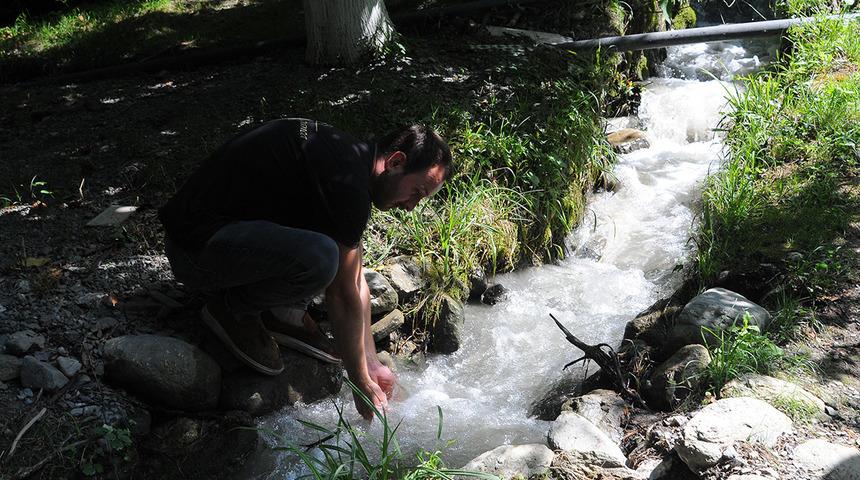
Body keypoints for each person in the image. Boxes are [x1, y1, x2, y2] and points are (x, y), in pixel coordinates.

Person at [158, 118, 452, 419]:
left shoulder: (349, 162)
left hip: (216, 238)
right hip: (194, 251)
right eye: (417, 192)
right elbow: (341, 294)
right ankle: (233, 309)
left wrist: (371, 363)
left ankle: (279, 312)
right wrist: (360, 382)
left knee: (329, 252)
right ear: (396, 162)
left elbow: (355, 277)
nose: (411, 206)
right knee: (321, 257)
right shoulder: (347, 181)